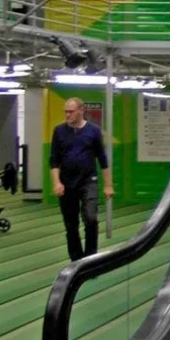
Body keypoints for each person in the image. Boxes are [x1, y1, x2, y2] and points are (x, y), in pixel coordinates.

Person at [50, 98, 112, 260]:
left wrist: (108, 185)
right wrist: (57, 182)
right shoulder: (59, 131)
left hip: (88, 181)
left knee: (91, 218)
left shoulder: (94, 131)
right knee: (71, 224)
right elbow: (54, 160)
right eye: (66, 112)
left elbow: (102, 159)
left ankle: (90, 258)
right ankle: (76, 260)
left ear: (81, 110)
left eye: (71, 112)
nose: (67, 115)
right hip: (66, 183)